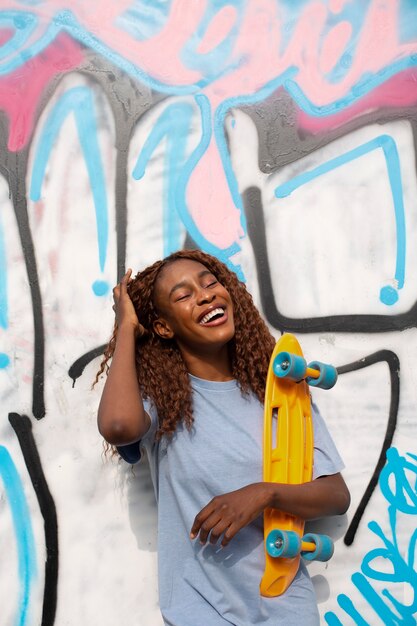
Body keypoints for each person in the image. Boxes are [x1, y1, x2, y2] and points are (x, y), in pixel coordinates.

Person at [97, 249, 350, 626]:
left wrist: (266, 492)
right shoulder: (163, 401)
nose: (205, 295)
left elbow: (336, 494)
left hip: (288, 610)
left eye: (210, 282)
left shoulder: (280, 392)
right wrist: (126, 328)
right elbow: (118, 426)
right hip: (199, 612)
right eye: (183, 295)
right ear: (164, 327)